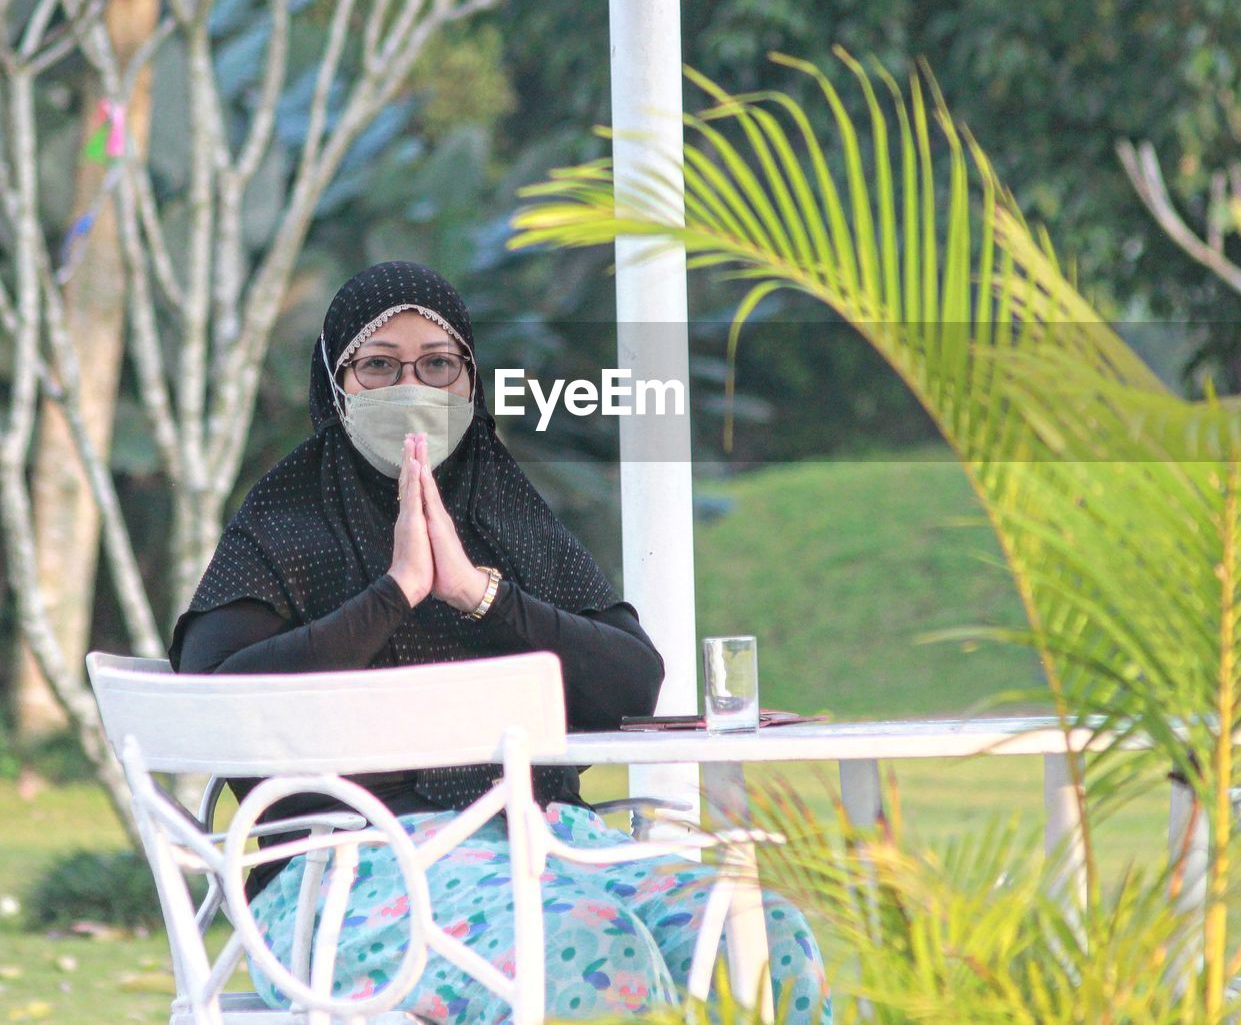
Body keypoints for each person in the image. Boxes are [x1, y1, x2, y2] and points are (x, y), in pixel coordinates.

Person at [170, 261, 830, 1024]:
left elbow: (630, 680)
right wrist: (395, 592)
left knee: (762, 936)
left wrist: (475, 590)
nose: (409, 387)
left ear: (471, 383)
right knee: (599, 951)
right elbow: (211, 701)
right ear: (335, 381)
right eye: (378, 364)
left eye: (437, 364)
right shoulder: (284, 522)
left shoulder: (504, 509)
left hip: (547, 843)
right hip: (354, 873)